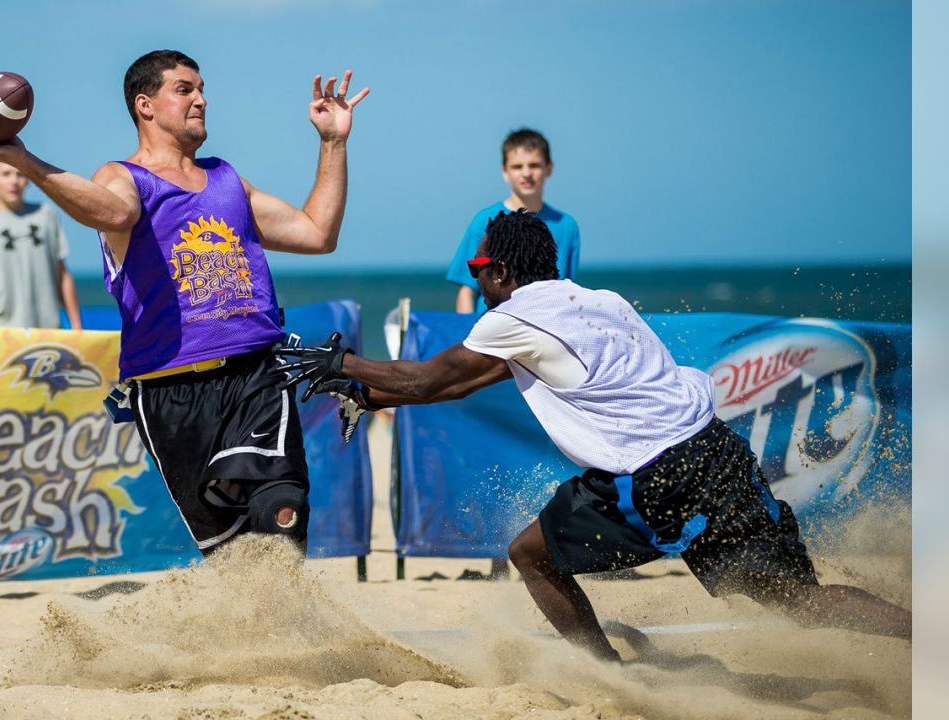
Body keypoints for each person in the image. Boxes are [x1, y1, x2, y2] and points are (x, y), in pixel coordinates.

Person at [277, 210, 912, 662]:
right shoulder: (599, 301)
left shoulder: (515, 316)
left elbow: (424, 379)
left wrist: (342, 363)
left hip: (655, 473)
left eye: (477, 270)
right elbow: (456, 385)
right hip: (716, 449)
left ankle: (601, 675)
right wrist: (363, 391)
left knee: (531, 555)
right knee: (798, 599)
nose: (475, 283)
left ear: (497, 271)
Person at [0, 50, 369, 556]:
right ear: (145, 105)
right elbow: (110, 211)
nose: (201, 99)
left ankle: (290, 630)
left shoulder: (226, 180)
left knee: (282, 508)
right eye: (185, 89)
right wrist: (24, 161)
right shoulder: (122, 177)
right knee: (232, 553)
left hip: (255, 373)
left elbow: (317, 232)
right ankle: (258, 631)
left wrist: (333, 143)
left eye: (201, 89)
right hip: (169, 391)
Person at [445, 128, 580, 314]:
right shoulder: (485, 221)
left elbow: (566, 294)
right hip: (491, 332)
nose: (526, 173)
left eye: (534, 165)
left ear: (549, 168)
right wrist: (468, 333)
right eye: (517, 166)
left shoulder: (566, 226)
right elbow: (467, 292)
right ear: (505, 172)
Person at [0, 159, 83, 329]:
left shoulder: (46, 215)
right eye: (6, 174)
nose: (14, 181)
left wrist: (77, 326)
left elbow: (63, 274)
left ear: (28, 179)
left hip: (48, 331)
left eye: (20, 174)